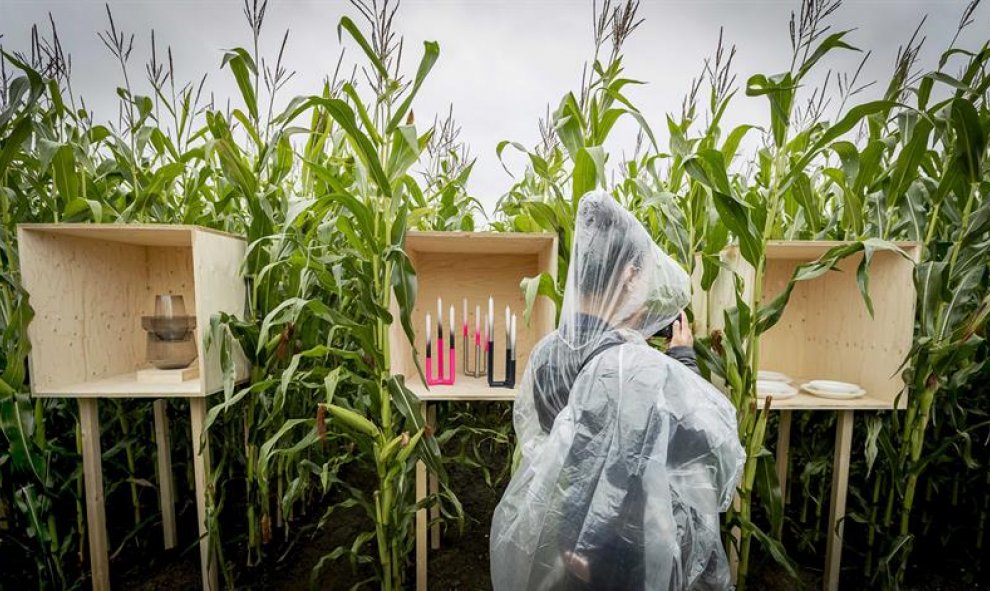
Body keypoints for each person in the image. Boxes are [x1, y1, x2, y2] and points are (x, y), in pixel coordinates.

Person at [490, 191, 744, 591]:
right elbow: (704, 445)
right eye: (643, 275)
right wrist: (682, 361)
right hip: (630, 552)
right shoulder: (633, 367)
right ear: (628, 275)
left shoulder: (545, 355)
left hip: (572, 536)